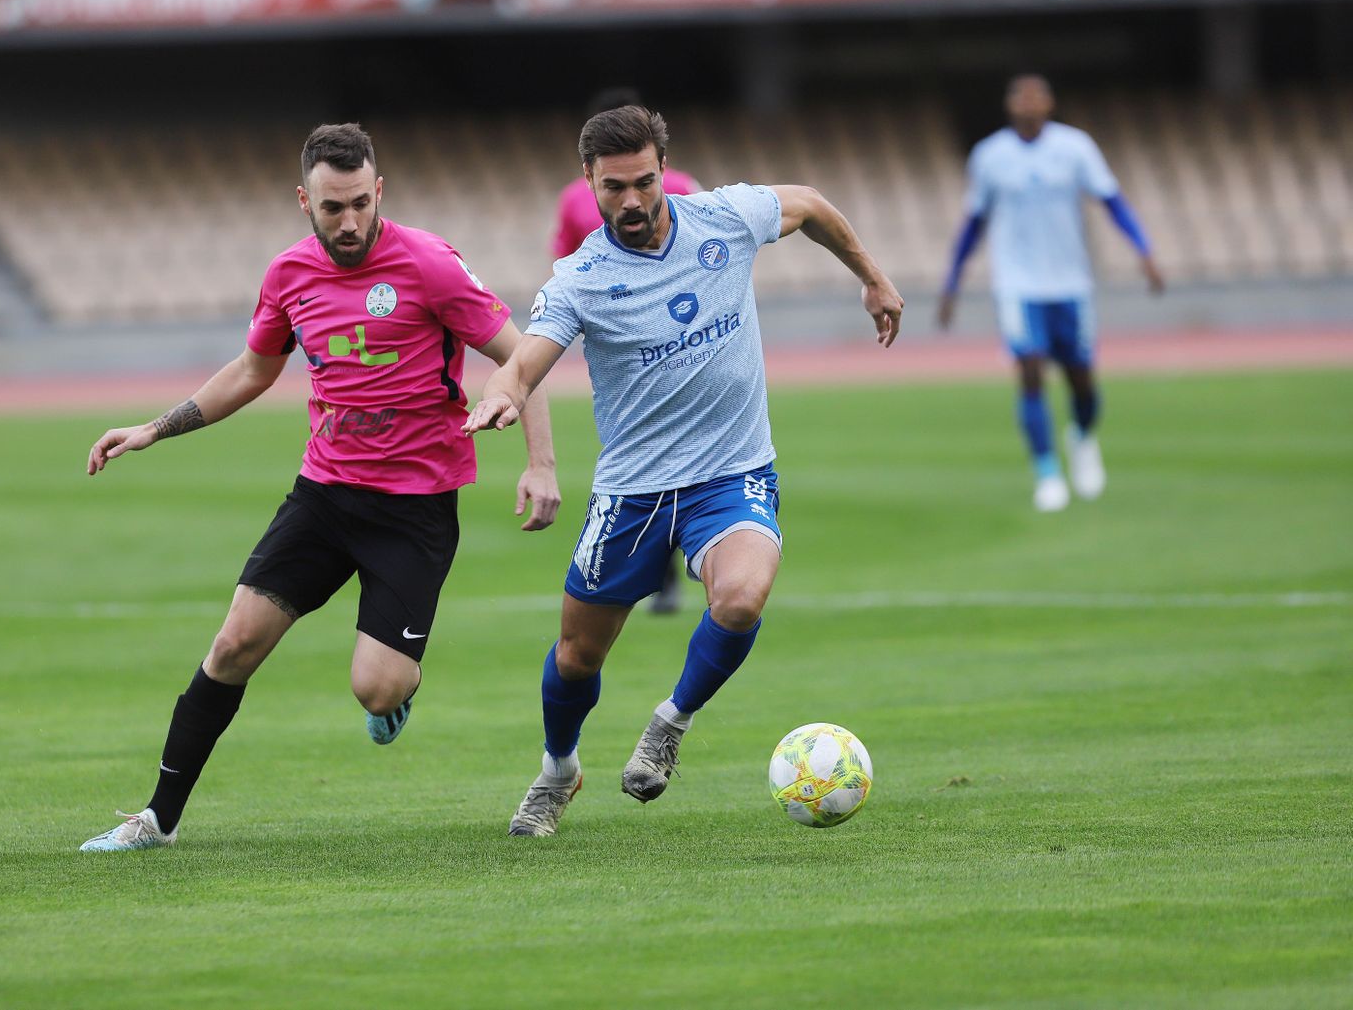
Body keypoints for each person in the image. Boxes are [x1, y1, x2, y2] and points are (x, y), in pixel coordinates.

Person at [80, 123, 560, 852]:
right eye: (332, 207)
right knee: (234, 642)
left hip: (415, 510)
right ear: (303, 200)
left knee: (377, 687)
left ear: (380, 193)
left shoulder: (430, 264)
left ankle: (399, 688)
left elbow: (521, 353)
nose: (349, 221)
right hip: (325, 496)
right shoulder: (288, 274)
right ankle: (157, 819)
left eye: (361, 203)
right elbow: (252, 371)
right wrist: (154, 428)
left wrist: (541, 462)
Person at [464, 106, 903, 836]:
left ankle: (671, 721)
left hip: (731, 474)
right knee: (576, 656)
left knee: (739, 598)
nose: (630, 201)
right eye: (613, 188)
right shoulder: (581, 277)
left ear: (664, 169)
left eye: (642, 182)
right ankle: (558, 769)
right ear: (589, 183)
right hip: (632, 492)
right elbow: (527, 358)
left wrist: (872, 277)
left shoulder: (726, 217)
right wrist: (502, 395)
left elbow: (813, 205)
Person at [938, 74, 1163, 512]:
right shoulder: (990, 156)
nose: (1029, 102)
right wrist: (953, 281)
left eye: (1036, 94)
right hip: (1018, 285)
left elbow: (1112, 200)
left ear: (1049, 102)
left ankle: (1081, 436)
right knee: (1030, 370)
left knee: (1081, 378)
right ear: (1009, 104)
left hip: (1070, 282)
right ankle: (1047, 472)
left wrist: (1144, 249)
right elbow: (974, 223)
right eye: (1020, 95)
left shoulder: (1075, 147)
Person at [551, 88, 701, 616]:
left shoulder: (574, 198)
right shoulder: (681, 184)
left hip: (633, 352)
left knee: (646, 457)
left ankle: (661, 569)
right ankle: (665, 568)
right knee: (668, 457)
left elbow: (562, 262)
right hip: (657, 348)